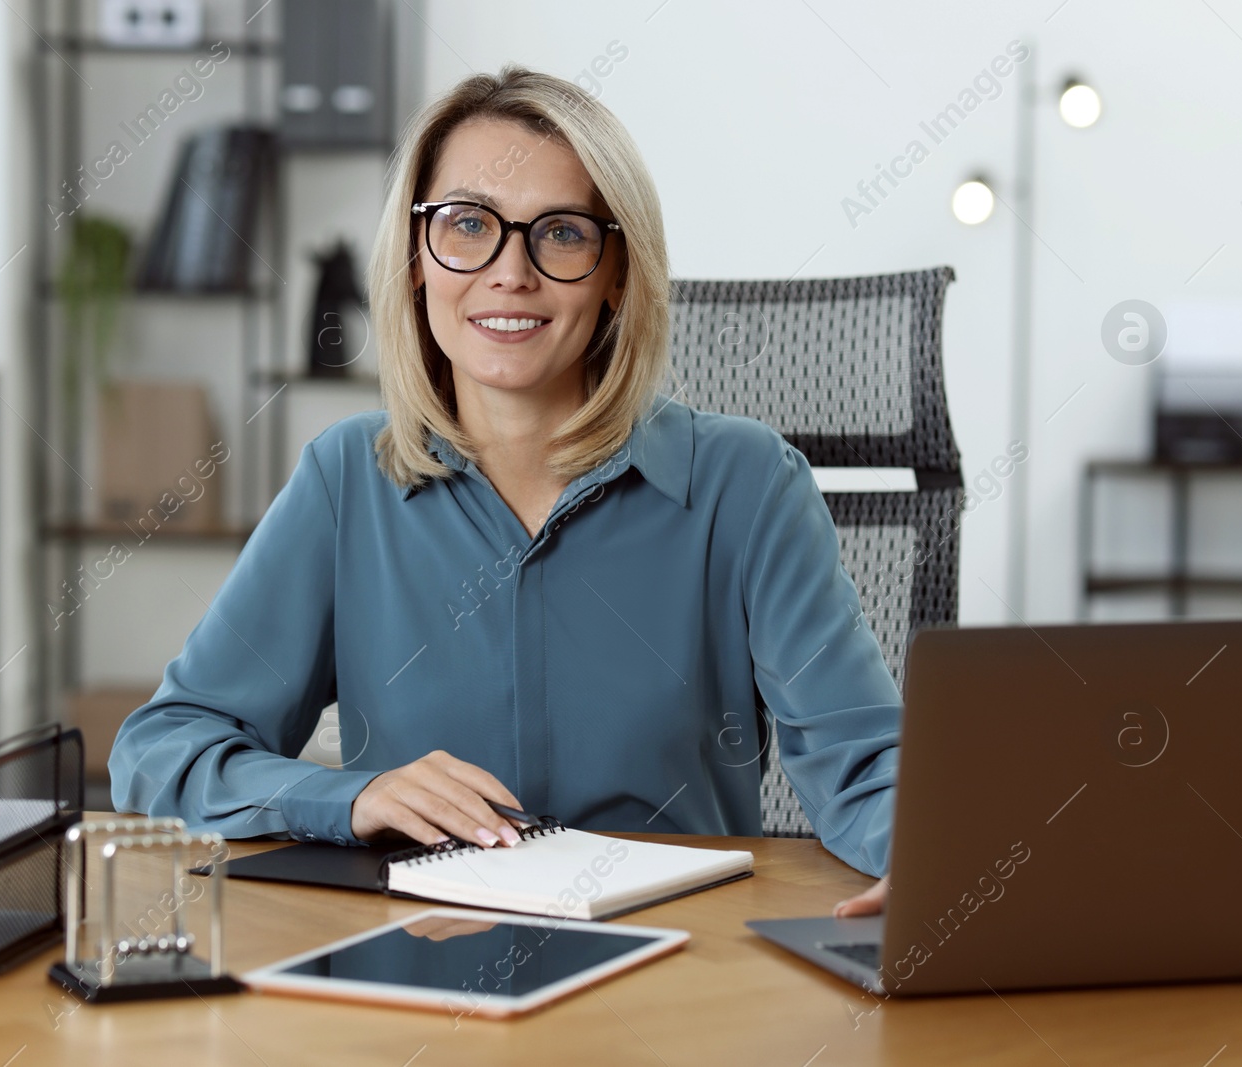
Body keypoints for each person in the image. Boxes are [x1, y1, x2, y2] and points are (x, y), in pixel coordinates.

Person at [110, 63, 894, 917]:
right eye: (467, 224)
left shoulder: (748, 485)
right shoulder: (347, 482)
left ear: (617, 273)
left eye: (559, 234)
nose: (509, 272)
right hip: (426, 963)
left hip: (676, 969)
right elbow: (163, 749)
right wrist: (349, 798)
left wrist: (929, 856)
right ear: (417, 258)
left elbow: (865, 765)